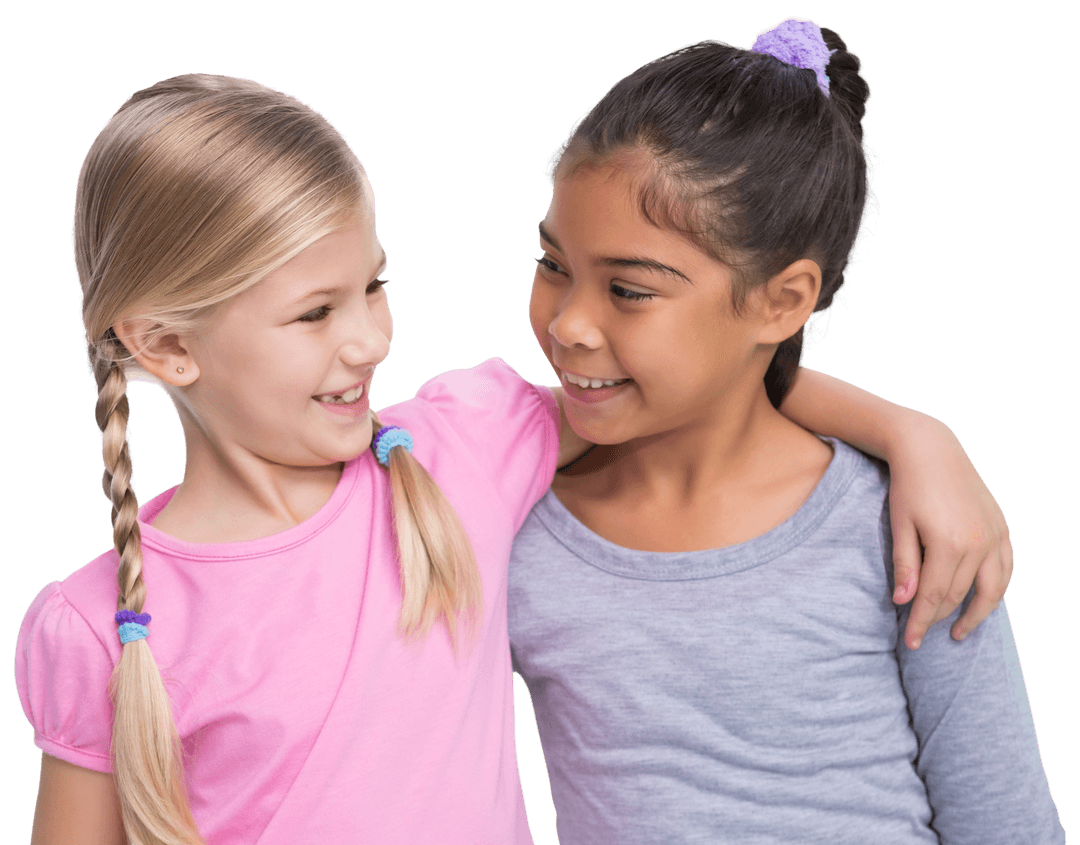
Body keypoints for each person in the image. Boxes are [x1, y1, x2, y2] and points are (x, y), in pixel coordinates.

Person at [15, 71, 1010, 844]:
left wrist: (912, 432)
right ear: (164, 346)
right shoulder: (98, 626)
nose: (367, 339)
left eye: (373, 286)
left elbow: (688, 381)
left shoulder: (458, 452)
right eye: (314, 313)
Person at [509, 18, 1064, 844]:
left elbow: (1008, 821)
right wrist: (913, 428)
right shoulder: (510, 516)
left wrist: (917, 438)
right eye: (554, 264)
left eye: (629, 290)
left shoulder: (905, 530)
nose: (571, 324)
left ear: (783, 300)